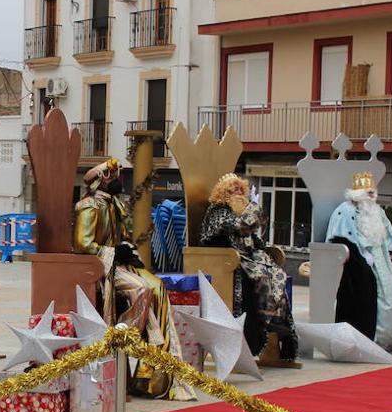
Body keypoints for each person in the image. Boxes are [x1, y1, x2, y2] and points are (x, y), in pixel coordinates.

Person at [73, 158, 189, 398]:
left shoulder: (116, 204)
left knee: (158, 287)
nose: (118, 180)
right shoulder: (89, 206)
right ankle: (127, 335)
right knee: (141, 289)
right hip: (101, 266)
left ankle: (153, 369)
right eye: (112, 176)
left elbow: (123, 236)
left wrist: (128, 251)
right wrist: (115, 253)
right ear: (100, 181)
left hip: (119, 262)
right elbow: (82, 243)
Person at [199, 173, 299, 364]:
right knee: (261, 279)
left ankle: (274, 327)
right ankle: (262, 328)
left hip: (249, 259)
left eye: (240, 189)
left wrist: (264, 253)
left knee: (276, 276)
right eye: (232, 189)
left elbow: (255, 240)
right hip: (229, 261)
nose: (238, 192)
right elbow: (237, 228)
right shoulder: (219, 210)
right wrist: (252, 210)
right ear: (224, 193)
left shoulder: (243, 211)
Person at [325, 172, 392, 349]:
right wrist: (361, 255)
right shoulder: (346, 210)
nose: (372, 195)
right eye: (368, 192)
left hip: (382, 259)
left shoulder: (378, 211)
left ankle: (387, 339)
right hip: (361, 259)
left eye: (373, 192)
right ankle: (371, 336)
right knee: (372, 293)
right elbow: (340, 237)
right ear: (357, 193)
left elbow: (389, 235)